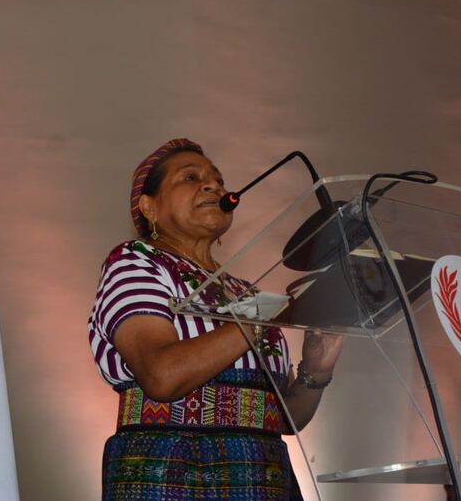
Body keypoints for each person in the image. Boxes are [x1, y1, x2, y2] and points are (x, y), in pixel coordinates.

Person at [88, 138, 344, 500]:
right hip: (173, 472)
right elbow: (162, 376)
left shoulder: (245, 292)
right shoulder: (136, 262)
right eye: (190, 178)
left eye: (218, 180)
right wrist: (261, 320)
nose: (213, 185)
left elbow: (284, 419)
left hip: (263, 475)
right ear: (149, 207)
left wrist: (317, 370)